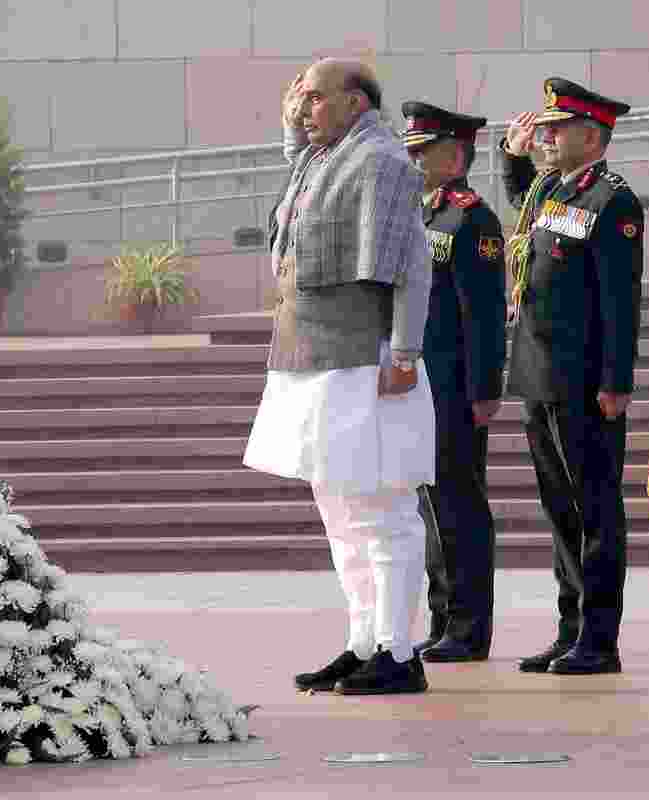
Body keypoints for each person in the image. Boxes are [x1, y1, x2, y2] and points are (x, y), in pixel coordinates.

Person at [243, 59, 435, 695]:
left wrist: (404, 354)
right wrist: (295, 123)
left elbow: (410, 266)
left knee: (383, 512)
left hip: (368, 358)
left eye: (316, 98)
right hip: (313, 356)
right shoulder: (320, 158)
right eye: (299, 98)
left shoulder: (381, 162)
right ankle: (362, 641)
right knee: (340, 514)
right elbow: (292, 177)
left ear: (357, 103)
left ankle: (400, 652)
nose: (303, 109)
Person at [500, 78, 643, 675]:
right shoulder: (552, 190)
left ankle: (599, 636)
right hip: (539, 370)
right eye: (546, 129)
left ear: (593, 134)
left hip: (584, 378)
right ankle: (570, 626)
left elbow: (619, 301)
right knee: (561, 509)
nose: (547, 137)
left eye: (558, 129)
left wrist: (616, 380)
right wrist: (511, 155)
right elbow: (523, 207)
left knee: (595, 510)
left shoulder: (612, 201)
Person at [400, 101, 507, 664]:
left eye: (425, 151)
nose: (415, 161)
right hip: (419, 384)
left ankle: (469, 626)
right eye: (411, 150)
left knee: (461, 504)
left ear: (457, 154)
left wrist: (486, 389)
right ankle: (444, 616)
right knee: (431, 506)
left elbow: (484, 315)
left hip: (456, 387)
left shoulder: (472, 219)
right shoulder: (422, 214)